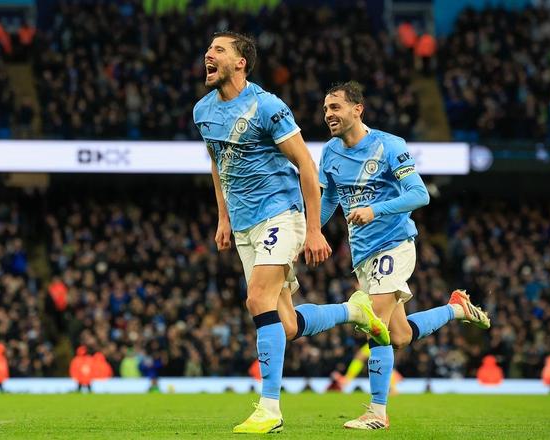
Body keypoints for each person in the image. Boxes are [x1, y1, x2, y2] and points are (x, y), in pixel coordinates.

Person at [193, 32, 388, 434]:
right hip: (243, 223)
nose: (208, 54)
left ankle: (270, 408)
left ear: (241, 62)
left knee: (256, 299)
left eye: (218, 50)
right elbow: (218, 163)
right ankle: (355, 311)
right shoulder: (203, 111)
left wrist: (314, 229)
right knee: (285, 325)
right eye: (209, 49)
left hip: (279, 213)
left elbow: (306, 164)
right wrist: (223, 218)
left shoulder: (267, 106)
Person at [319, 81, 491, 429]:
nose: (328, 114)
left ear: (357, 109)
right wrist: (309, 232)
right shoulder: (329, 152)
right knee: (399, 336)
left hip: (394, 244)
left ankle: (377, 413)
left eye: (335, 107)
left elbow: (419, 194)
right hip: (362, 255)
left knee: (374, 324)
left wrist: (375, 210)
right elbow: (330, 199)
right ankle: (456, 308)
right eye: (325, 109)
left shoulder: (389, 145)